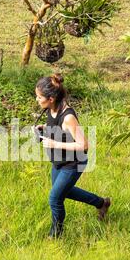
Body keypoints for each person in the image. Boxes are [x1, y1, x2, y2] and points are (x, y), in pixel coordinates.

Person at [33, 73, 111, 238]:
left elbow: (84, 145)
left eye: (39, 97)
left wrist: (55, 144)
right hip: (58, 161)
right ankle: (101, 203)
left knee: (55, 199)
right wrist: (45, 129)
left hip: (73, 163)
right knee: (65, 192)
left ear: (51, 98)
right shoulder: (50, 109)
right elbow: (60, 131)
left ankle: (55, 235)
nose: (37, 100)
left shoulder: (67, 116)